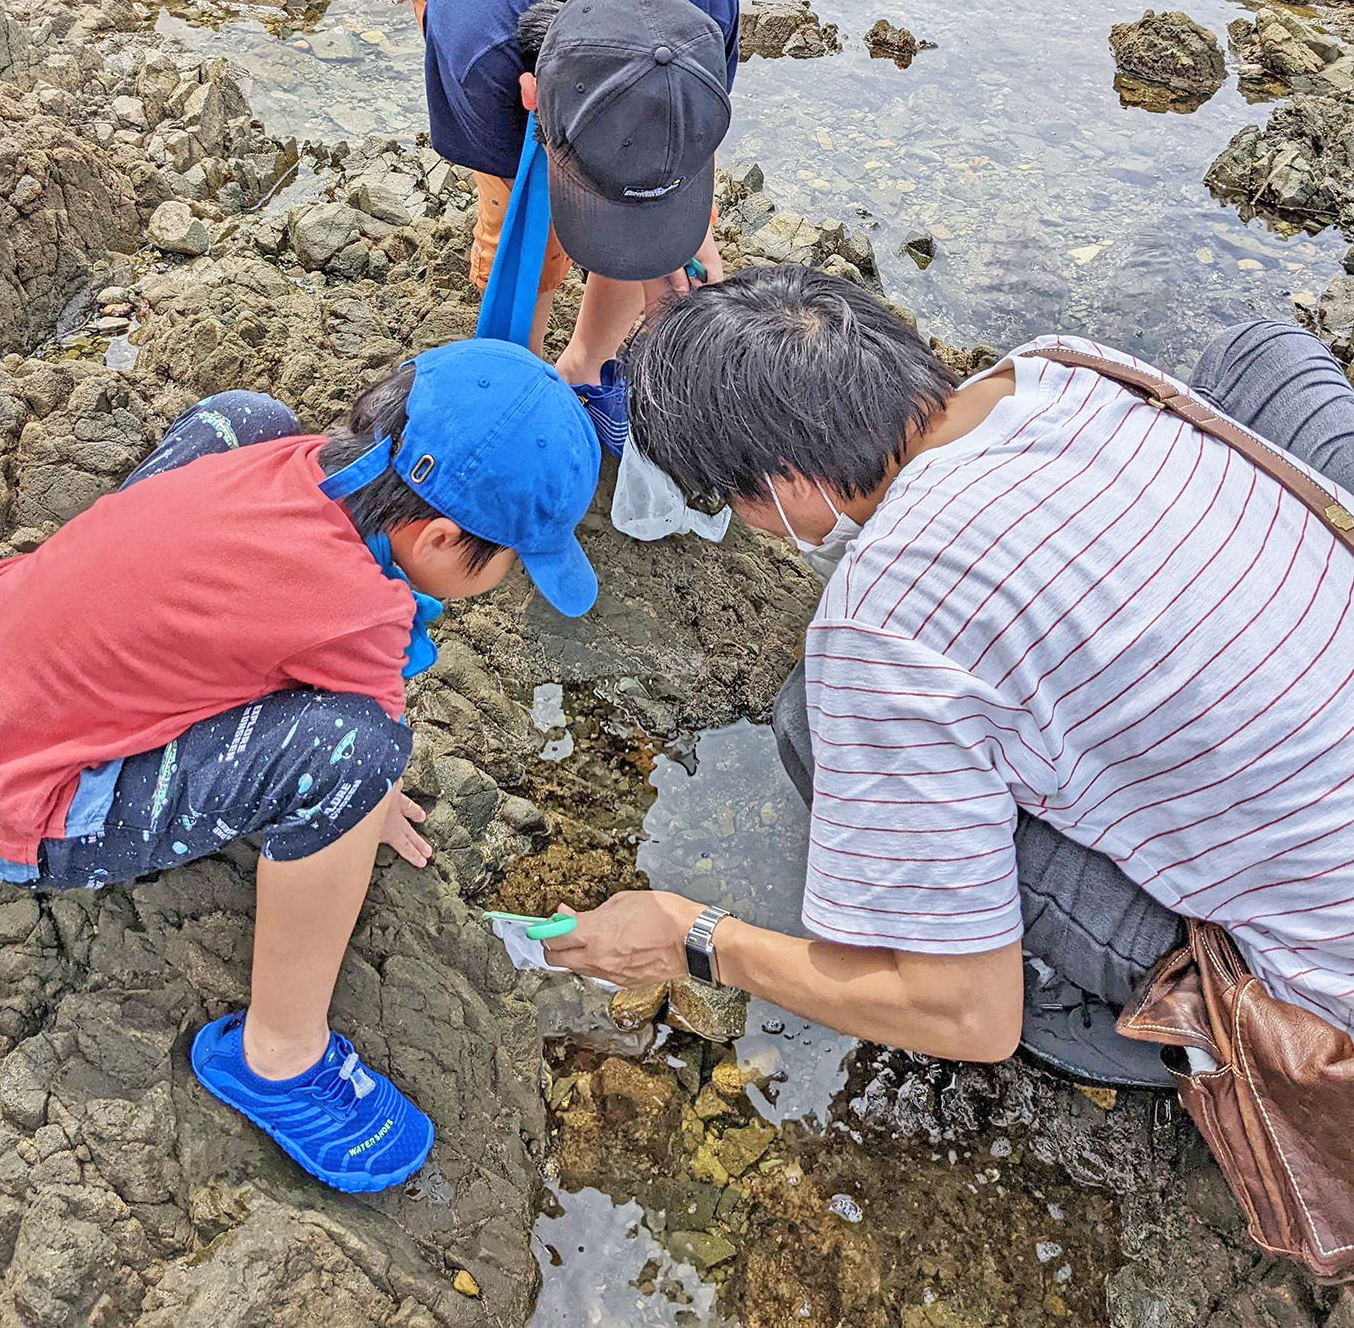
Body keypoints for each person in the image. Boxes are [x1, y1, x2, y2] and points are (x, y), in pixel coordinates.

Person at [544, 268, 1354, 1090]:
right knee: (1260, 357)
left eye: (733, 497)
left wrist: (692, 934)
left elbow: (971, 1017)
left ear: (789, 482)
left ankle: (1181, 1040)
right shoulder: (1061, 368)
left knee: (810, 724)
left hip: (1328, 992)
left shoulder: (879, 619)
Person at [0, 341, 600, 1192]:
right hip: (28, 805)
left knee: (244, 411)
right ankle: (280, 1054)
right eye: (513, 560)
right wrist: (360, 808)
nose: (512, 579)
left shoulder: (292, 460)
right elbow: (366, 743)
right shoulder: (363, 613)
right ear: (439, 537)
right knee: (355, 755)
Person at [392, 0, 739, 444]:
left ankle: (586, 365)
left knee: (632, 187)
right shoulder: (477, 55)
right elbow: (521, 213)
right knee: (523, 222)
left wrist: (686, 236)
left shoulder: (707, 8)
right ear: (531, 97)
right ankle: (518, 381)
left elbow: (684, 136)